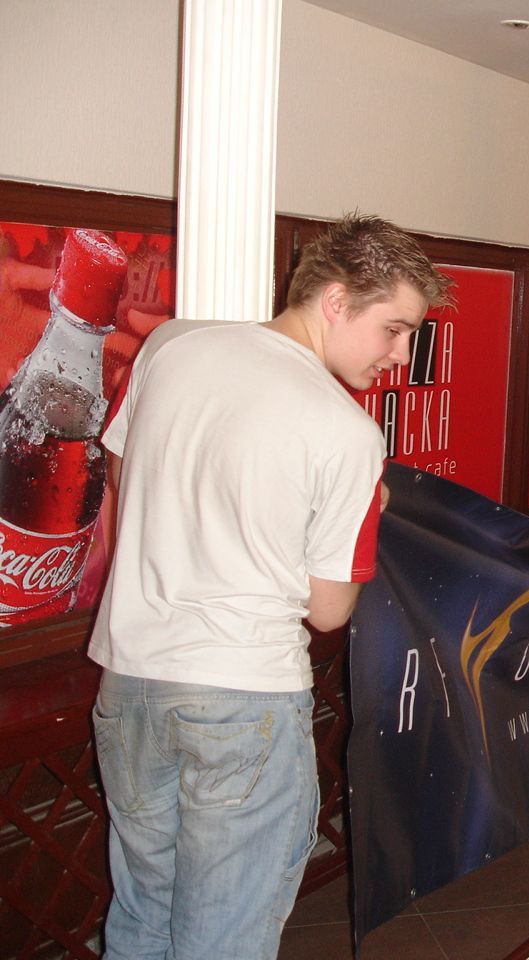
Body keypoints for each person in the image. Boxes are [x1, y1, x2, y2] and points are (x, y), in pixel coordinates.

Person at [87, 214, 454, 960]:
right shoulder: (347, 433)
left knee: (143, 919)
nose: (400, 353)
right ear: (335, 300)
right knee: (222, 940)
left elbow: (123, 472)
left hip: (130, 683)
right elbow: (328, 611)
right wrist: (365, 514)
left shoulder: (171, 344)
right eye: (394, 329)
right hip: (243, 697)